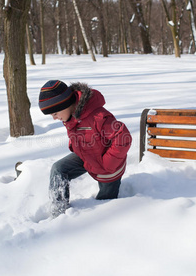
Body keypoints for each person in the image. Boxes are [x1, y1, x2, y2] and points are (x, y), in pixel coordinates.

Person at [38, 80, 132, 217]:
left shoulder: (98, 117)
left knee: (105, 205)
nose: (54, 118)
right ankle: (59, 212)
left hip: (109, 168)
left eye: (55, 113)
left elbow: (123, 137)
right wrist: (74, 145)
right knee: (58, 169)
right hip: (87, 155)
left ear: (65, 104)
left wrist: (107, 164)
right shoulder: (70, 115)